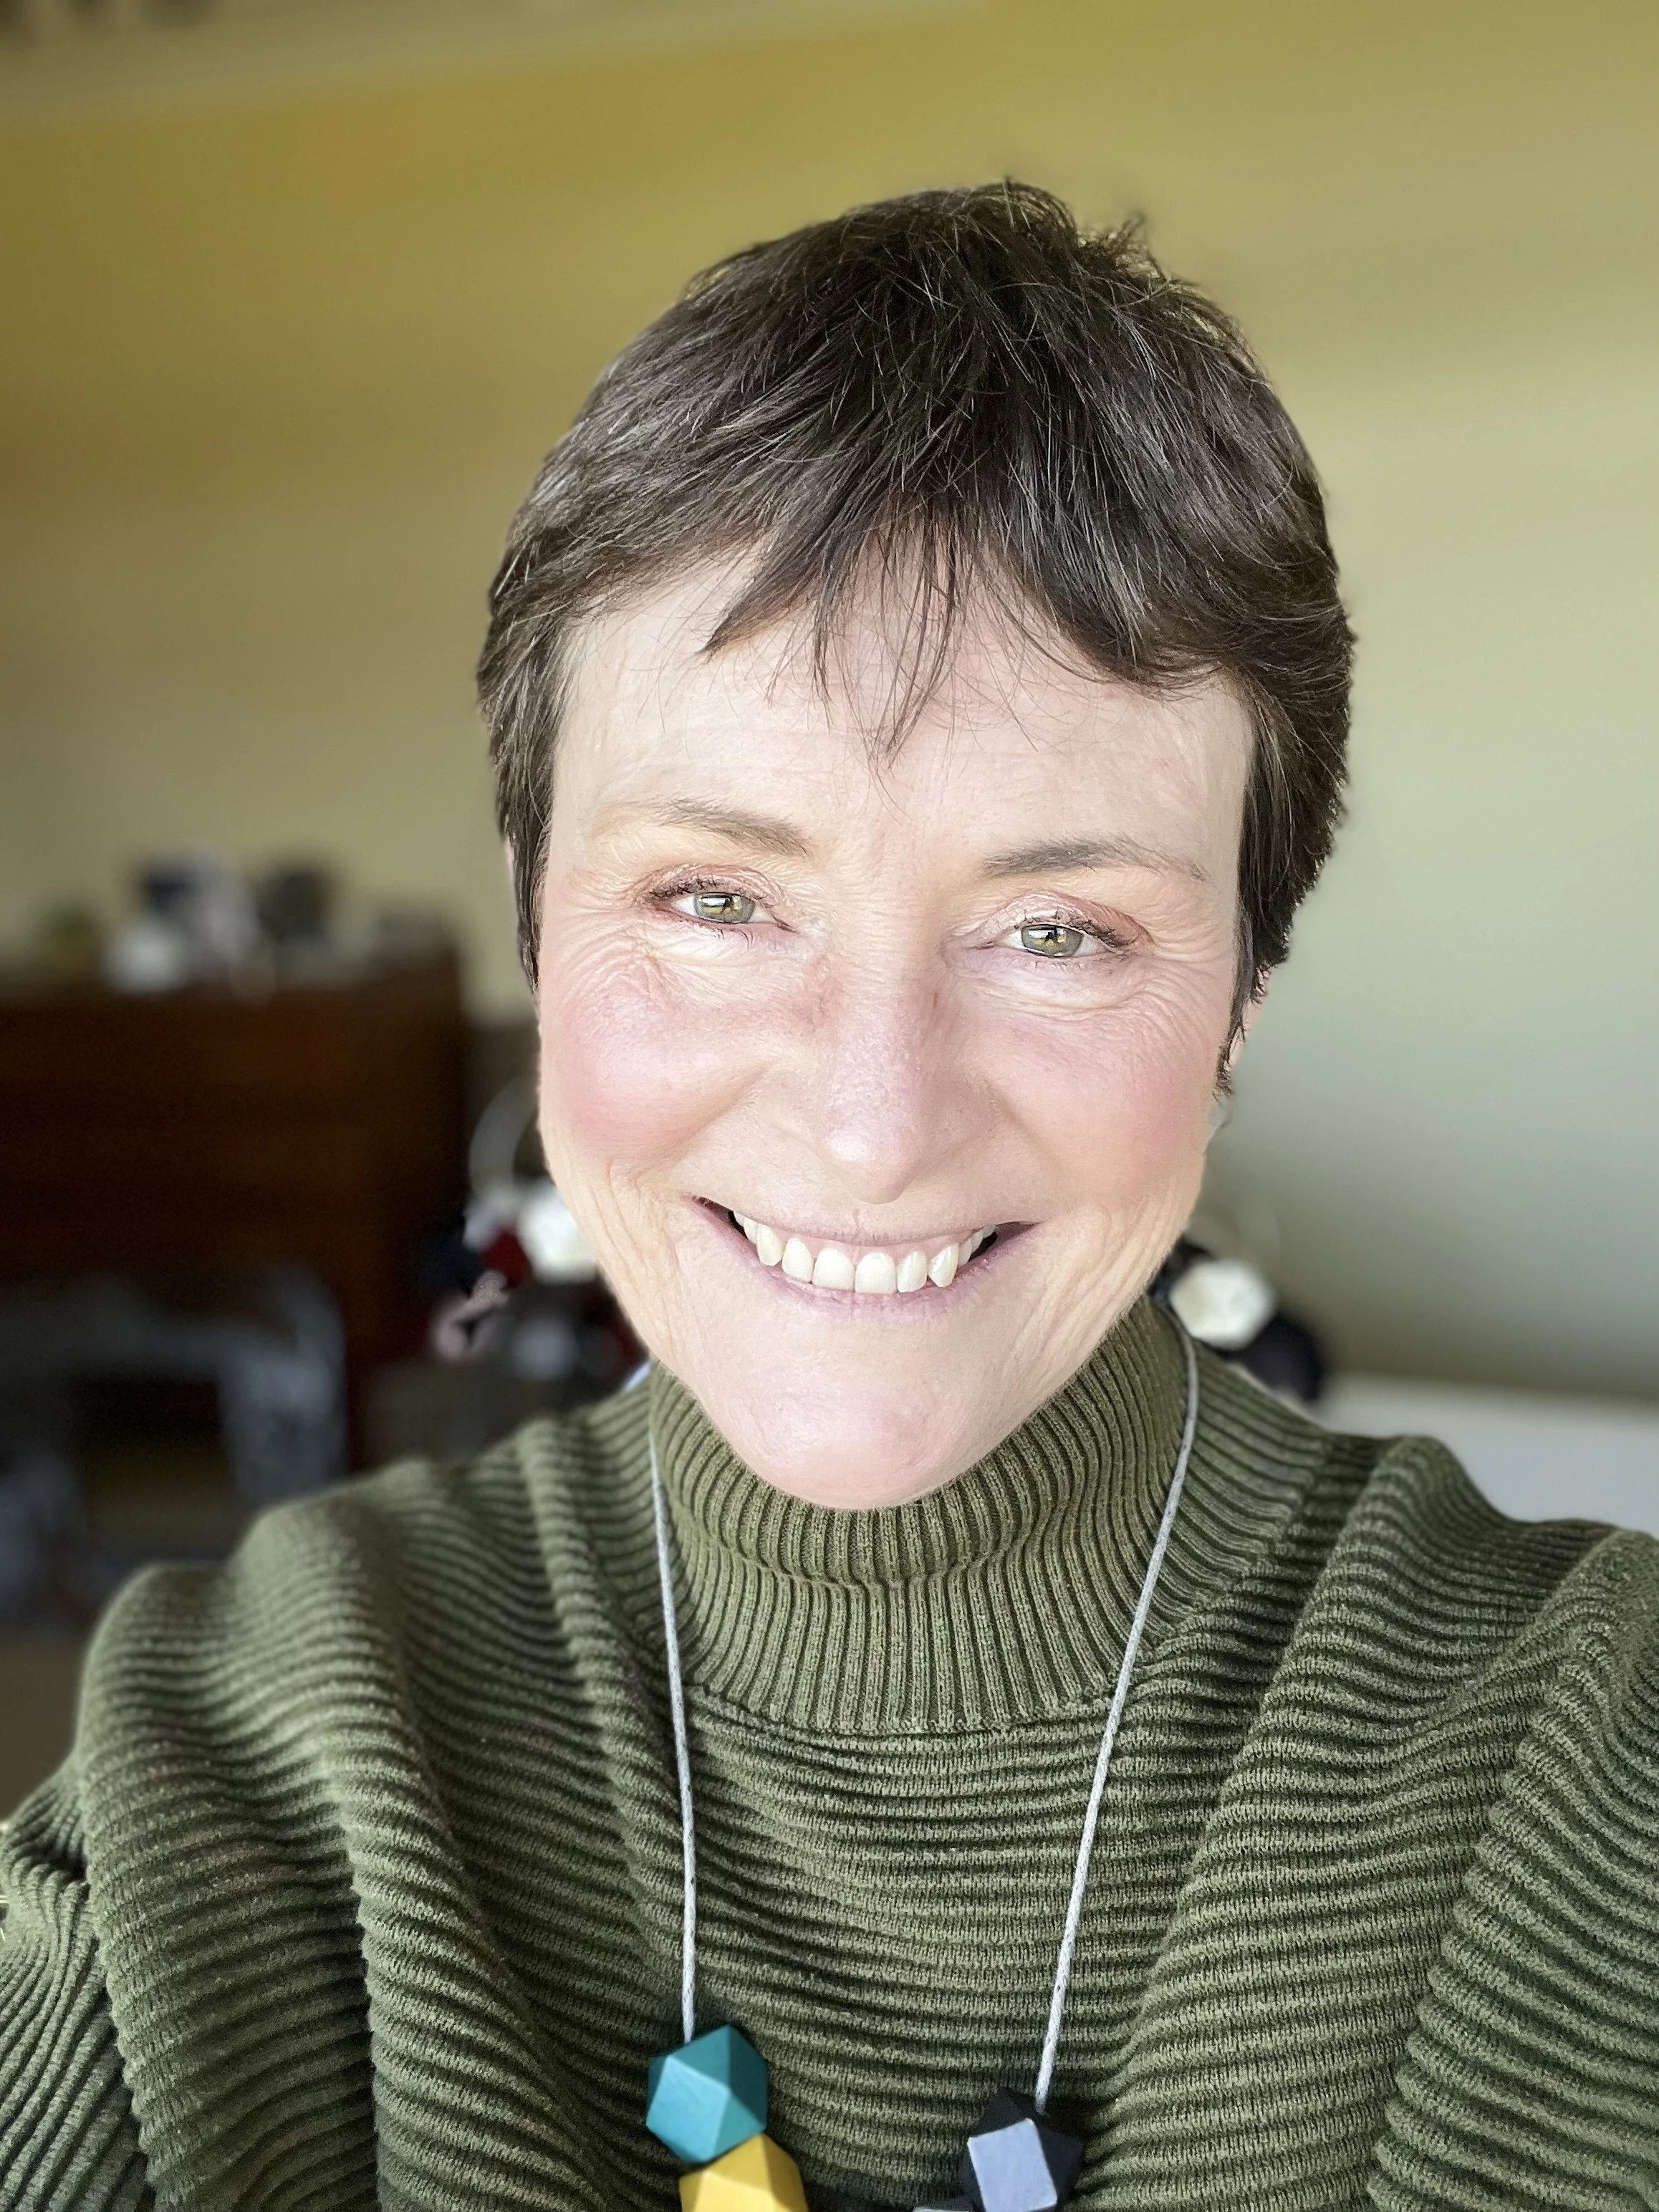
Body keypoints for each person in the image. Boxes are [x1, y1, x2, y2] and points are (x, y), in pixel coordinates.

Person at [3, 183, 1655, 2212]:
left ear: (1242, 992)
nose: (875, 1127)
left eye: (1058, 930)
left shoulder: (1580, 1761)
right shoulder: (250, 1760)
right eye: (714, 898)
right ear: (538, 926)